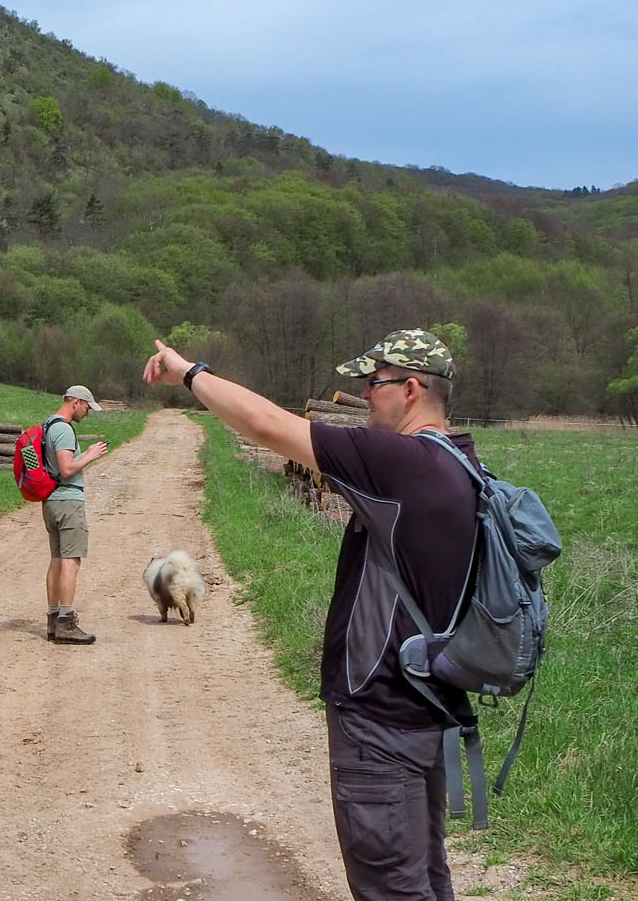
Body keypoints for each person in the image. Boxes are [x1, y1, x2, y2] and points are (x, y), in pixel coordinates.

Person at [143, 330, 480, 901]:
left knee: (393, 889)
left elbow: (267, 426)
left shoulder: (401, 463)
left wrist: (191, 373)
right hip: (428, 711)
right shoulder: (464, 464)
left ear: (412, 388)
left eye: (374, 385)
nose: (365, 397)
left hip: (380, 722)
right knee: (423, 881)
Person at [41, 385, 110, 645]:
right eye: (87, 407)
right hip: (68, 501)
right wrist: (91, 455)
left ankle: (53, 620)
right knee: (71, 561)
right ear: (76, 402)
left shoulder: (48, 426)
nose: (88, 412)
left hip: (51, 501)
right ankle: (66, 624)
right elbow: (67, 468)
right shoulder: (64, 429)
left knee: (57, 560)